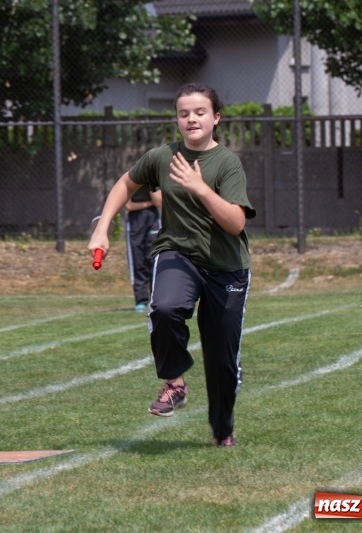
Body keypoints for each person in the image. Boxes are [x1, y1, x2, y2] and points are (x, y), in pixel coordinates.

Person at [88, 82, 256, 447]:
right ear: (177, 119)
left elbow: (235, 223)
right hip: (178, 253)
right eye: (184, 113)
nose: (191, 119)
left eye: (199, 112)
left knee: (222, 362)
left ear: (216, 118)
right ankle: (175, 382)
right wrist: (102, 229)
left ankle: (222, 429)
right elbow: (124, 184)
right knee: (163, 307)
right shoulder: (161, 157)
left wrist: (199, 187)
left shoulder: (227, 163)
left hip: (226, 266)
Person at [125, 187, 162, 311]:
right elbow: (129, 206)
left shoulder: (154, 178)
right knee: (137, 260)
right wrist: (149, 203)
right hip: (135, 220)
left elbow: (158, 201)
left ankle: (156, 298)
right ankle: (141, 300)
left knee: (154, 259)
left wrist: (151, 182)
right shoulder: (131, 178)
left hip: (152, 218)